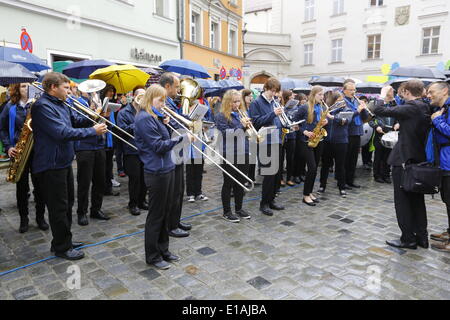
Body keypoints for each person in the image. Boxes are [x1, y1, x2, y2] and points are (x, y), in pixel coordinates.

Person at [32, 72, 107, 260]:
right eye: (65, 88)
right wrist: (92, 131)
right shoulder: (42, 106)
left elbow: (75, 121)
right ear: (53, 88)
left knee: (68, 204)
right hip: (51, 164)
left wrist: (94, 116)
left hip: (63, 161)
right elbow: (62, 132)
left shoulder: (61, 103)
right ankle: (61, 247)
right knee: (58, 207)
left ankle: (64, 239)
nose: (69, 91)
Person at [134, 84, 192, 270]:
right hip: (156, 171)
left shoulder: (154, 117)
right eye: (161, 100)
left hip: (166, 168)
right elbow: (159, 146)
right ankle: (152, 255)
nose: (163, 104)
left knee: (166, 212)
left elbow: (162, 139)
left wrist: (165, 125)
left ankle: (163, 249)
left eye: (164, 100)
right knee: (156, 216)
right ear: (151, 99)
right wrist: (181, 138)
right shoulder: (144, 118)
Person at [373, 80, 431, 249]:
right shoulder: (424, 106)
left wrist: (383, 96)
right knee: (417, 200)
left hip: (405, 160)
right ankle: (422, 237)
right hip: (417, 158)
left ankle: (408, 239)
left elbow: (380, 110)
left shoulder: (412, 107)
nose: (400, 95)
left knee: (403, 201)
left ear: (406, 91)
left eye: (401, 92)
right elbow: (402, 113)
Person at [0, 83, 48, 233]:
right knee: (21, 187)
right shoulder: (10, 106)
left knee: (40, 186)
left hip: (37, 150)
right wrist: (8, 147)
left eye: (28, 86)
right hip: (18, 150)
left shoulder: (38, 105)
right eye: (22, 86)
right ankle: (24, 219)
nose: (25, 89)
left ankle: (40, 217)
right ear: (16, 89)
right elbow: (1, 128)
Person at [159, 72, 191, 238]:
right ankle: (171, 226)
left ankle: (176, 220)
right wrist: (187, 126)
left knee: (179, 190)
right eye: (177, 86)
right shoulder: (163, 103)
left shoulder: (170, 101)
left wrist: (192, 119)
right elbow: (172, 123)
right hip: (171, 151)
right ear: (167, 86)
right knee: (174, 192)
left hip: (177, 149)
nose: (179, 90)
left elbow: (180, 118)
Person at [248, 77, 285, 216]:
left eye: (276, 91)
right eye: (272, 91)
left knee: (276, 174)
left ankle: (272, 200)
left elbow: (276, 121)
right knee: (269, 174)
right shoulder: (256, 103)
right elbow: (256, 122)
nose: (274, 94)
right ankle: (264, 203)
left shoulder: (274, 102)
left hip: (276, 140)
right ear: (266, 88)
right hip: (265, 142)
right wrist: (273, 114)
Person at [73, 91, 110, 226]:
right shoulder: (77, 102)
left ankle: (96, 209)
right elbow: (76, 122)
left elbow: (105, 125)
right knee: (84, 182)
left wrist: (105, 116)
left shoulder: (97, 102)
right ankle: (81, 212)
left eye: (95, 90)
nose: (92, 92)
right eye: (89, 89)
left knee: (100, 180)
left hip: (99, 145)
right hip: (84, 146)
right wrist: (93, 114)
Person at [215, 89, 251, 222]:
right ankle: (227, 211)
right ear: (227, 102)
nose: (237, 104)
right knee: (228, 183)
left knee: (240, 182)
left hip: (244, 151)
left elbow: (245, 134)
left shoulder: (242, 114)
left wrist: (248, 128)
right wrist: (242, 127)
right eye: (234, 102)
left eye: (238, 101)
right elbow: (227, 134)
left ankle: (239, 208)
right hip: (229, 152)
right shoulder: (221, 116)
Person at [117, 86, 148, 216]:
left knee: (144, 178)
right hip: (131, 150)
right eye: (140, 95)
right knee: (135, 179)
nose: (142, 97)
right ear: (134, 96)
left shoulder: (146, 111)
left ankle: (142, 200)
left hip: (145, 149)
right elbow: (122, 131)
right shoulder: (123, 112)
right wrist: (138, 123)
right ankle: (133, 203)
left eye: (144, 95)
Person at [294, 86, 327, 206]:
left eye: (323, 95)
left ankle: (310, 192)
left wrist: (325, 122)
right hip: (306, 141)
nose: (322, 97)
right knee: (312, 167)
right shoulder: (304, 107)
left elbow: (319, 122)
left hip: (318, 140)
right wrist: (304, 132)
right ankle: (305, 195)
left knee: (314, 169)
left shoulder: (321, 107)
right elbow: (294, 123)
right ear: (313, 95)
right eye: (320, 95)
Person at [428, 81, 450, 252]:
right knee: (447, 199)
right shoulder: (443, 109)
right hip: (444, 160)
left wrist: (438, 120)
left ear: (444, 91)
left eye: (431, 92)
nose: (428, 95)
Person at [318, 91, 351, 197]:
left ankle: (341, 187)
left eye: (342, 100)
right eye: (338, 100)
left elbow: (346, 121)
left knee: (340, 166)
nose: (341, 102)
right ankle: (322, 186)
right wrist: (323, 120)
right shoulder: (326, 109)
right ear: (333, 101)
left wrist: (332, 117)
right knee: (325, 165)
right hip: (327, 141)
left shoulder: (346, 109)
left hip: (341, 142)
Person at [342, 81, 370, 189]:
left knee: (354, 158)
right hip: (347, 133)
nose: (353, 92)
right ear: (344, 91)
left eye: (354, 90)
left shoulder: (356, 101)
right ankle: (343, 181)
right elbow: (346, 117)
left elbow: (364, 117)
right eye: (351, 90)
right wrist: (358, 111)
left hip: (357, 132)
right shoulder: (342, 102)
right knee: (346, 159)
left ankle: (350, 180)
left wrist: (363, 109)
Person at [369, 95, 397, 184]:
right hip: (380, 135)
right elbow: (370, 120)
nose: (391, 98)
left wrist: (397, 123)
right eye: (389, 96)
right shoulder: (378, 106)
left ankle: (386, 175)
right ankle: (377, 175)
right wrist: (376, 126)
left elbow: (398, 118)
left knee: (388, 156)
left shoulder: (394, 106)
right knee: (378, 156)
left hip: (390, 134)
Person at [101, 84, 120, 196]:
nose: (112, 93)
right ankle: (105, 187)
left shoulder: (112, 103)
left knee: (109, 164)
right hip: (104, 137)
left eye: (113, 91)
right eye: (110, 91)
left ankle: (108, 186)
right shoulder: (102, 103)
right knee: (104, 165)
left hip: (111, 137)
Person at [280, 90, 299, 186]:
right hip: (283, 135)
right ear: (287, 97)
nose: (293, 98)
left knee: (290, 158)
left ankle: (289, 178)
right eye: (291, 96)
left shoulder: (295, 107)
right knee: (281, 158)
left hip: (292, 135)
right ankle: (280, 179)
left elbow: (296, 118)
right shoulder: (280, 107)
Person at [242, 89, 256, 184]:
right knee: (246, 159)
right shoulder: (242, 109)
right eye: (249, 96)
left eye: (252, 96)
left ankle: (251, 178)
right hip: (245, 135)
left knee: (253, 158)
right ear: (244, 97)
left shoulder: (251, 107)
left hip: (252, 134)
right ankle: (245, 178)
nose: (251, 98)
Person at [293, 93, 308, 184]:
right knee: (298, 156)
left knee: (303, 157)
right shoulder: (299, 109)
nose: (304, 100)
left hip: (306, 134)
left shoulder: (307, 107)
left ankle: (302, 172)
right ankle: (296, 175)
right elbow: (296, 122)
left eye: (305, 99)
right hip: (299, 134)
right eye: (302, 99)